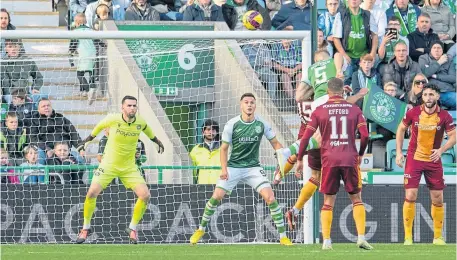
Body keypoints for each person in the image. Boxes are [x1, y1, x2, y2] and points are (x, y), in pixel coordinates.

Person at [189, 93, 293, 246]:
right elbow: (223, 149)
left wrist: (283, 157)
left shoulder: (261, 124)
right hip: (233, 167)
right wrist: (224, 170)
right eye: (246, 102)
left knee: (270, 198)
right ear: (241, 105)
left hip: (253, 168)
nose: (249, 105)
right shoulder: (232, 124)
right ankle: (200, 229)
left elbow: (276, 144)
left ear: (255, 106)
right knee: (216, 196)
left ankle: (283, 236)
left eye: (252, 102)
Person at [295, 78, 372, 250]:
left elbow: (306, 138)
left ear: (328, 92)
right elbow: (365, 135)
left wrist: (300, 158)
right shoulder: (354, 109)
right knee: (356, 198)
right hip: (349, 158)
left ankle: (327, 241)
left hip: (329, 159)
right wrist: (360, 154)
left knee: (328, 201)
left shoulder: (319, 110)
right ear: (343, 92)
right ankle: (360, 237)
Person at [75, 95, 165, 244]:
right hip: (108, 165)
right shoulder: (113, 119)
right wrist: (85, 142)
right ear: (122, 107)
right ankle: (85, 228)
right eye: (129, 105)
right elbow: (97, 128)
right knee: (91, 193)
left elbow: (149, 132)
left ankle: (132, 228)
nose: (132, 108)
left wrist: (157, 142)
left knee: (145, 195)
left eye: (134, 106)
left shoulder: (140, 122)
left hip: (129, 167)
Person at [395, 83, 456, 246]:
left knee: (437, 199)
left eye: (431, 94)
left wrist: (441, 150)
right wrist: (399, 152)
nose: (428, 98)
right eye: (425, 95)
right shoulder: (413, 113)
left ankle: (437, 237)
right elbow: (400, 129)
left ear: (437, 97)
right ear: (422, 97)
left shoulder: (444, 116)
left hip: (434, 161)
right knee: (410, 196)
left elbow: (454, 136)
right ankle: (408, 238)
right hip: (414, 160)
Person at [332, 0, 379, 85]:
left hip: (364, 55)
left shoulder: (368, 15)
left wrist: (372, 54)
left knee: (367, 81)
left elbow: (375, 36)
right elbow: (336, 39)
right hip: (348, 55)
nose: (354, 0)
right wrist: (345, 55)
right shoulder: (341, 15)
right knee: (346, 79)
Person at [418, 41, 456, 110]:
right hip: (430, 93)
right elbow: (424, 74)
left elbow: (453, 78)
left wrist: (435, 76)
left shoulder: (449, 60)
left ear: (442, 50)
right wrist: (439, 62)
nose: (436, 50)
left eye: (439, 48)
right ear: (430, 49)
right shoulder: (423, 58)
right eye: (434, 48)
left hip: (446, 92)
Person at [69, 13, 97, 102]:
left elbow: (72, 46)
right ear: (85, 21)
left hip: (83, 55)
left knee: (80, 74)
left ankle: (88, 90)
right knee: (91, 72)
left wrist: (71, 58)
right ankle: (87, 89)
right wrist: (104, 45)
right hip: (93, 54)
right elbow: (97, 40)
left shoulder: (75, 32)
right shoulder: (91, 31)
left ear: (76, 22)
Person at [189, 119, 221, 184]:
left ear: (217, 132)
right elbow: (193, 171)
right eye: (208, 129)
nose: (211, 132)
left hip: (220, 185)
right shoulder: (196, 150)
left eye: (213, 130)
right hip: (202, 185)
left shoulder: (224, 148)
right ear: (203, 132)